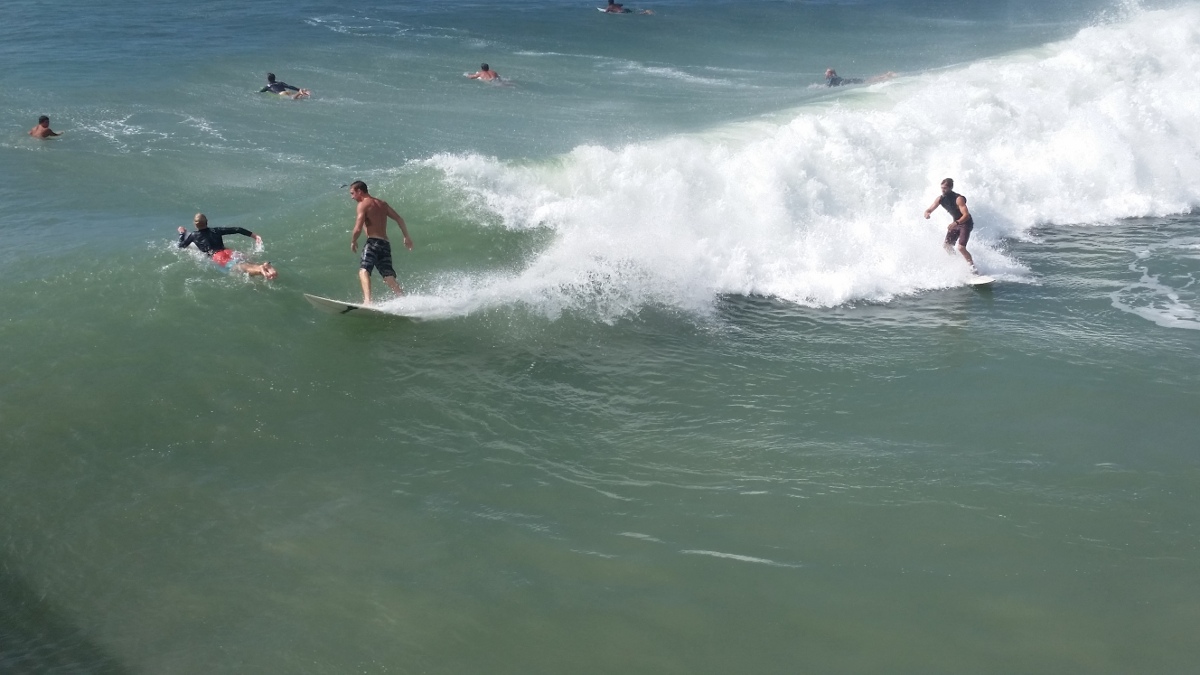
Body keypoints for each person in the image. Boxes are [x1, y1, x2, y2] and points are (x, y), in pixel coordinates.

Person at [349, 180, 413, 304]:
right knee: (388, 275)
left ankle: (367, 301)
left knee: (364, 270)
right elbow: (399, 219)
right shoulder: (382, 204)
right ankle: (403, 299)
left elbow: (357, 228)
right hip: (385, 244)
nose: (352, 197)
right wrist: (406, 236)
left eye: (352, 193)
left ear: (359, 191)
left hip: (373, 242)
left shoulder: (363, 204)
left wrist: (353, 241)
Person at [177, 213, 277, 279]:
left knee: (240, 267)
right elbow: (237, 229)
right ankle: (263, 267)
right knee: (246, 262)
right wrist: (255, 236)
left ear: (195, 225)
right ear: (207, 222)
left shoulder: (193, 235)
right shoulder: (216, 230)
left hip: (217, 256)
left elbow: (181, 246)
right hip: (228, 251)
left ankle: (260, 269)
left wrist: (182, 233)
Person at [924, 178, 976, 272]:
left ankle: (973, 268)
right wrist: (927, 213)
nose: (943, 190)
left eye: (945, 188)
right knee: (947, 246)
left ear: (951, 188)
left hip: (966, 223)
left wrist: (956, 223)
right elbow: (929, 209)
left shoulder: (958, 199)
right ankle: (958, 262)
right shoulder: (940, 199)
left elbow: (966, 215)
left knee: (961, 247)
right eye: (942, 188)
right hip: (956, 223)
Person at [824, 68, 895, 87]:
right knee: (867, 81)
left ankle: (885, 76)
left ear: (830, 73)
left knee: (867, 81)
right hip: (849, 81)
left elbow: (828, 86)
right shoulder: (834, 77)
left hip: (847, 82)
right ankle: (885, 75)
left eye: (826, 72)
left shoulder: (832, 78)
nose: (825, 73)